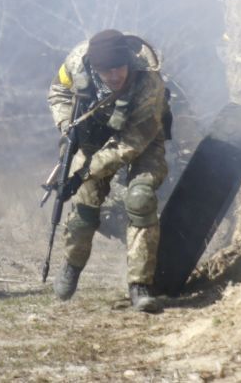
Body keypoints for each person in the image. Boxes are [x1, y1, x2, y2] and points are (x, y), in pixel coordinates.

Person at [48, 29, 171, 313]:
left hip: (142, 137)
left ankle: (140, 286)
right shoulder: (76, 63)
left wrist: (83, 173)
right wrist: (68, 128)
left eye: (119, 69)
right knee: (84, 204)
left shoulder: (148, 80)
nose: (115, 76)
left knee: (140, 199)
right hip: (95, 136)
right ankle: (72, 264)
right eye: (106, 71)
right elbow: (57, 93)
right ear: (94, 66)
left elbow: (130, 144)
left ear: (128, 62)